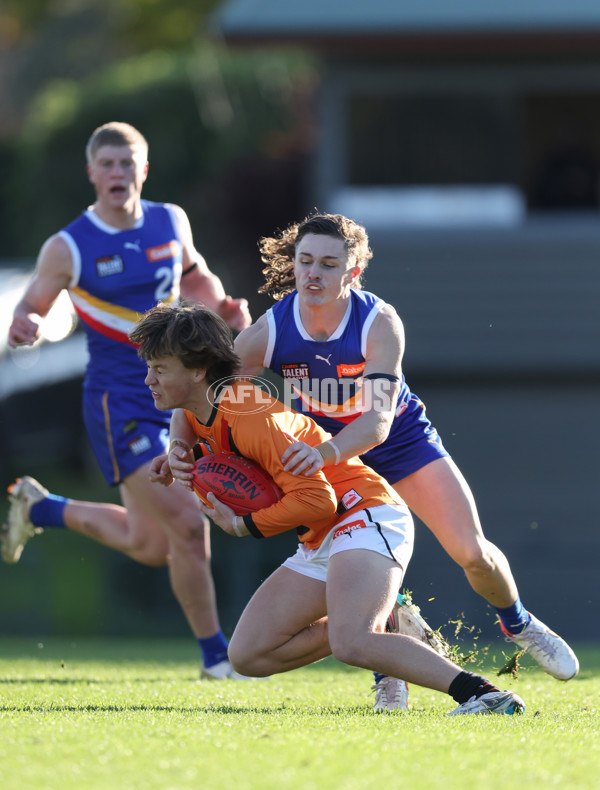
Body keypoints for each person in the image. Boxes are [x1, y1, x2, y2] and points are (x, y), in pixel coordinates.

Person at [232, 211, 579, 692]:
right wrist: (182, 447)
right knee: (349, 565)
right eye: (305, 260)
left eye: (329, 264)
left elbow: (375, 425)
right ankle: (387, 665)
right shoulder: (267, 331)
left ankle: (518, 622)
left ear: (353, 272)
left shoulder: (379, 322)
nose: (313, 273)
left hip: (396, 442)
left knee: (472, 552)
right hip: (335, 458)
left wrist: (324, 453)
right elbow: (215, 396)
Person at [130, 300, 526, 716]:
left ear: (197, 372)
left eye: (160, 368)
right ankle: (390, 623)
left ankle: (482, 694)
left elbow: (320, 500)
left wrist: (244, 525)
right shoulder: (203, 406)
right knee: (248, 655)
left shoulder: (249, 416)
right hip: (323, 535)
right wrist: (177, 451)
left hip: (365, 513)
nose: (149, 379)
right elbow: (190, 424)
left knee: (352, 641)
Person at [2, 121, 251, 679]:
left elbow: (196, 277)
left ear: (144, 169)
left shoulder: (170, 220)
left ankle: (40, 508)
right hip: (119, 402)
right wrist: (27, 324)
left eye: (127, 162)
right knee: (189, 526)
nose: (117, 173)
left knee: (150, 543)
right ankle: (217, 659)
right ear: (92, 173)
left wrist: (224, 311)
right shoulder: (69, 245)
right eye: (107, 164)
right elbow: (34, 304)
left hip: (178, 397)